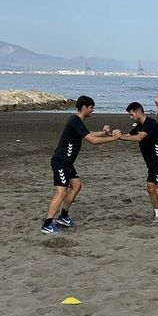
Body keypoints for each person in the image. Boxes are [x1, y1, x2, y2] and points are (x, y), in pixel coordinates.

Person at [41, 96, 120, 234]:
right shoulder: (74, 120)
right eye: (91, 108)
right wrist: (113, 138)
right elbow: (93, 140)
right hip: (61, 161)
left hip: (67, 163)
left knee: (76, 185)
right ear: (84, 107)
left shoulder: (78, 122)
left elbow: (87, 134)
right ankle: (47, 224)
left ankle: (63, 216)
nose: (92, 110)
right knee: (61, 192)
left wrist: (103, 133)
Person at [119, 101, 158, 226]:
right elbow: (129, 135)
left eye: (132, 115)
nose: (130, 117)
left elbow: (138, 138)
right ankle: (157, 213)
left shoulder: (151, 123)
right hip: (152, 163)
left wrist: (121, 137)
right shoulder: (140, 126)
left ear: (138, 112)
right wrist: (115, 135)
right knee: (150, 187)